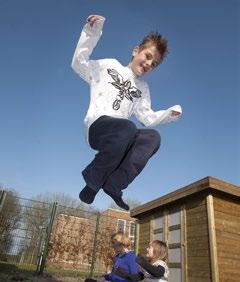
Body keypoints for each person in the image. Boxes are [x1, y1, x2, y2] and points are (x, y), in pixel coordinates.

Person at [71, 15, 182, 210]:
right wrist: (91, 32)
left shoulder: (143, 88)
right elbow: (79, 63)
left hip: (121, 137)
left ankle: (114, 184)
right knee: (127, 127)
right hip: (97, 126)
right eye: (148, 56)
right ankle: (93, 179)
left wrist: (167, 115)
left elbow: (146, 117)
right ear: (135, 51)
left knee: (152, 138)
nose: (149, 64)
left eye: (154, 63)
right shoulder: (109, 66)